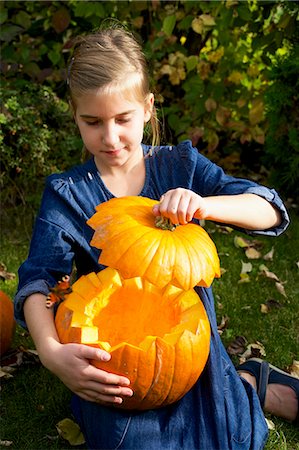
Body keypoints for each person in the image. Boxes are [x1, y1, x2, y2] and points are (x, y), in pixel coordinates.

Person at [14, 23, 298, 450]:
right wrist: (53, 354)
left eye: (123, 119)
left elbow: (269, 209)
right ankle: (245, 381)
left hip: (185, 340)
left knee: (237, 438)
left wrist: (204, 204)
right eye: (92, 122)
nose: (110, 137)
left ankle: (247, 381)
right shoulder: (67, 194)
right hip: (114, 354)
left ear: (147, 108)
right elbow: (38, 281)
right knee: (130, 442)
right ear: (74, 115)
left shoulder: (180, 165)